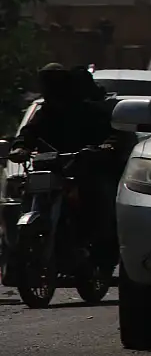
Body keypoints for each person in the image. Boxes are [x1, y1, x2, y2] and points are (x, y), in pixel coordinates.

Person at [7, 64, 136, 272]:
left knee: (99, 198)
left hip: (85, 169)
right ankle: (17, 258)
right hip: (53, 168)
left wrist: (103, 147)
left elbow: (115, 134)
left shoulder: (91, 109)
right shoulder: (46, 111)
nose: (51, 88)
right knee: (25, 195)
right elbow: (30, 132)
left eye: (55, 82)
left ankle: (99, 250)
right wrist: (20, 146)